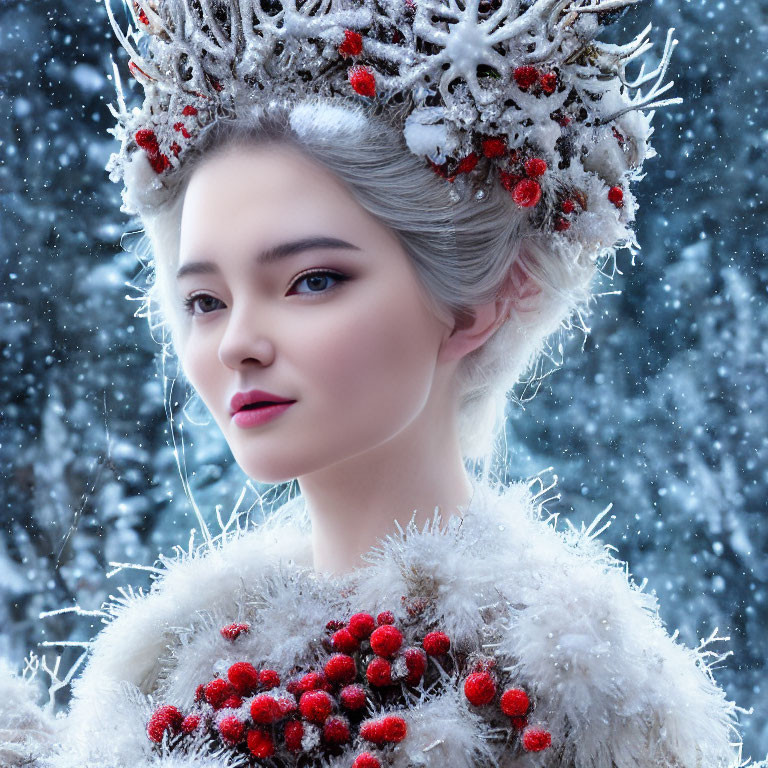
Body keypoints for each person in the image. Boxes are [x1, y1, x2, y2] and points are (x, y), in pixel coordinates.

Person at [0, 0, 761, 766]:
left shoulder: (567, 687)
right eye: (205, 300)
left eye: (312, 280)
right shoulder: (170, 664)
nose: (237, 343)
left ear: (478, 302)